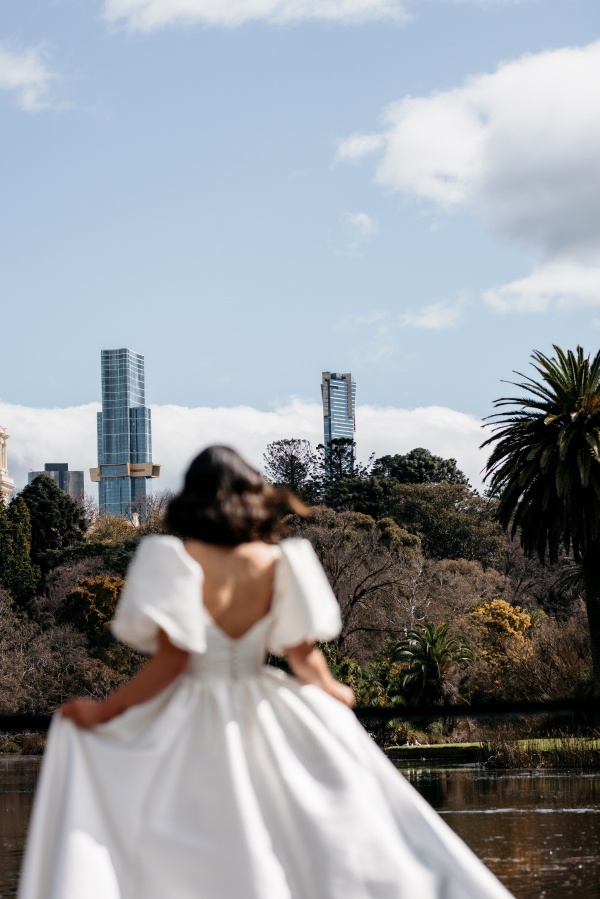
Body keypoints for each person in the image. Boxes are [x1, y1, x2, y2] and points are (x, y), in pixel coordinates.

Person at [19, 446, 513, 899]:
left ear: (191, 497)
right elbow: (302, 656)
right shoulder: (280, 562)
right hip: (263, 704)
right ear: (253, 497)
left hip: (190, 712)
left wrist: (104, 710)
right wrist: (333, 691)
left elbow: (173, 662)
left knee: (182, 833)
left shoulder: (172, 558)